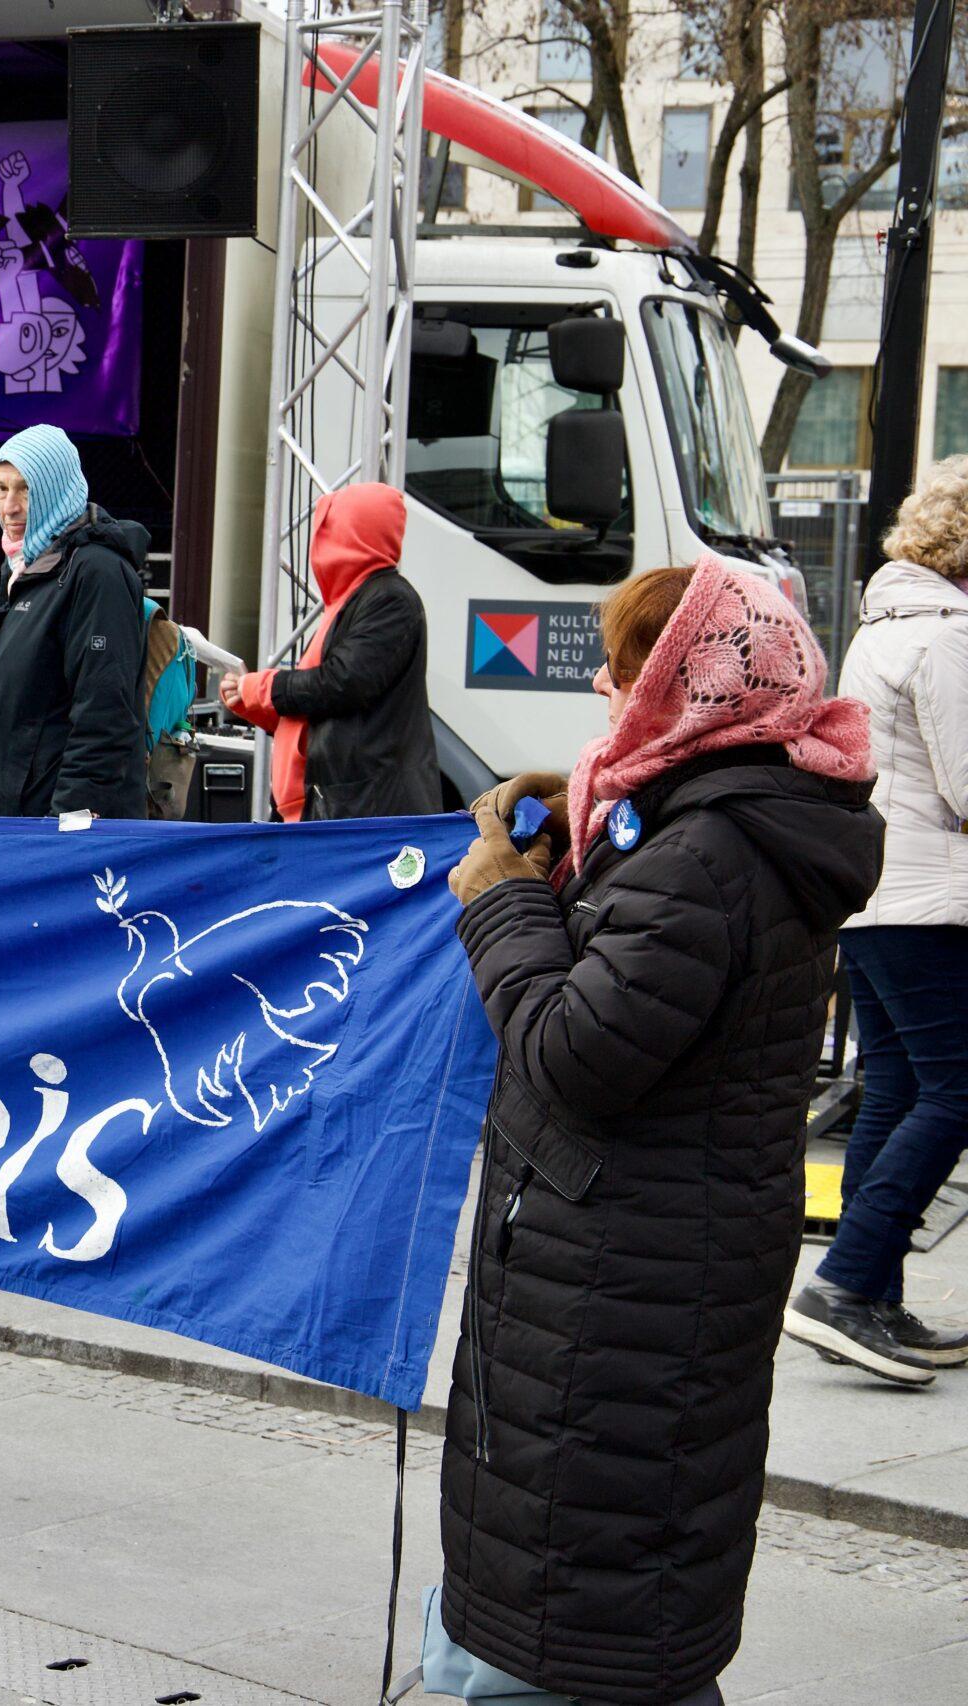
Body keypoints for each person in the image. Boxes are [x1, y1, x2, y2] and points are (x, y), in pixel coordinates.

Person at [437, 558, 880, 1705]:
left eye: (627, 674)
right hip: (641, 1283)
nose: (604, 698)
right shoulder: (731, 813)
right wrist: (582, 826)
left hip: (619, 1301)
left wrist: (497, 897)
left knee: (574, 1628)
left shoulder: (705, 855)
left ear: (694, 688)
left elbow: (573, 1055)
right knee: (619, 1613)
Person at [784, 455, 968, 1384]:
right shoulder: (946, 637)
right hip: (935, 901)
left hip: (879, 896)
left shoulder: (881, 626)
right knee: (957, 1090)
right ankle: (845, 1284)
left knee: (895, 1090)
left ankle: (873, 1302)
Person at [0, 423, 149, 819]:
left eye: (26, 488)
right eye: (1, 488)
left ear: (57, 489)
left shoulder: (97, 572)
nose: (9, 506)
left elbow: (104, 716)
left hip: (50, 835)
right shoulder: (22, 569)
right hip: (9, 829)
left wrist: (69, 828)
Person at [219, 481, 440, 820]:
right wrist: (254, 703)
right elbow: (319, 711)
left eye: (330, 528)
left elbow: (343, 682)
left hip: (363, 811)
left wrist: (265, 688)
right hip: (340, 805)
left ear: (354, 533)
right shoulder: (353, 602)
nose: (320, 541)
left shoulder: (389, 600)